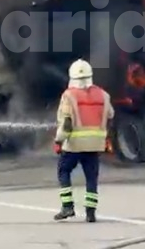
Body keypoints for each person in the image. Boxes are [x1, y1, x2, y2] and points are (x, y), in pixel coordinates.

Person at [53, 59, 115, 223]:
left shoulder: (69, 95)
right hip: (95, 144)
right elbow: (111, 115)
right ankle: (90, 213)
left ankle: (67, 207)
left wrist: (59, 141)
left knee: (63, 171)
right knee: (91, 178)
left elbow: (66, 124)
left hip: (74, 145)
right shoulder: (103, 95)